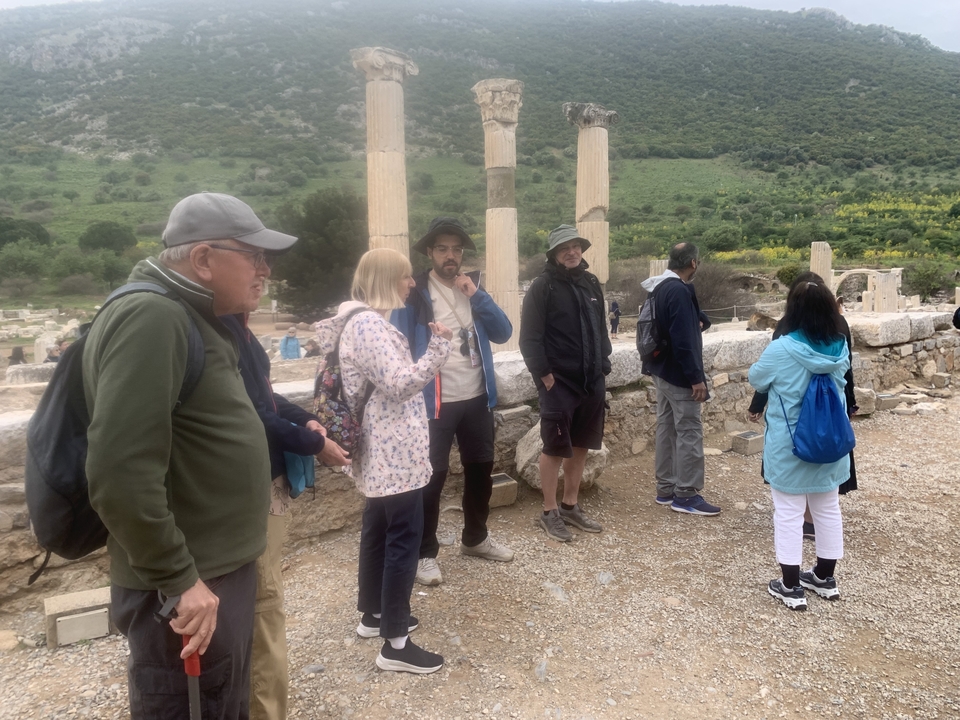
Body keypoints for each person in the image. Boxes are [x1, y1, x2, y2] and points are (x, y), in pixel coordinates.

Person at [83, 192, 297, 718]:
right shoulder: (152, 318)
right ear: (203, 259)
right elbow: (119, 473)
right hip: (190, 590)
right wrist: (179, 577)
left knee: (225, 703)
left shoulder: (192, 315)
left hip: (213, 575)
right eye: (254, 256)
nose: (265, 270)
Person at [316, 248, 452, 674]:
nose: (411, 284)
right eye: (405, 276)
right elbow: (399, 384)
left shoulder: (353, 323)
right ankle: (396, 644)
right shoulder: (370, 325)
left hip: (380, 451)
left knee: (377, 529)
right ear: (386, 279)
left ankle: (374, 614)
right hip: (395, 452)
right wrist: (439, 348)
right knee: (403, 539)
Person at [220, 311, 350, 720]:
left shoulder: (231, 325)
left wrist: (303, 418)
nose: (263, 277)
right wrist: (314, 444)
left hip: (259, 481)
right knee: (265, 600)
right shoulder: (219, 329)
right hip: (253, 485)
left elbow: (265, 399)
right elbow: (251, 413)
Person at [393, 217, 515, 587]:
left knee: (480, 470)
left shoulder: (471, 288)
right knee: (431, 478)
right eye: (443, 248)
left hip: (476, 396)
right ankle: (424, 553)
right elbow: (397, 344)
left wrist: (476, 295)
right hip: (435, 402)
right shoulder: (415, 292)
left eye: (457, 249)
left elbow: (503, 332)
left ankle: (475, 538)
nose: (451, 255)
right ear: (430, 252)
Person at [748, 279, 849, 610]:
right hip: (830, 441)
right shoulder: (840, 346)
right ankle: (824, 577)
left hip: (790, 445)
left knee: (789, 513)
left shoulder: (781, 348)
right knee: (828, 508)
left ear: (792, 309)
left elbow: (757, 378)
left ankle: (790, 585)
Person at [519, 225, 610, 542]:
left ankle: (570, 505)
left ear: (581, 250)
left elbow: (601, 331)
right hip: (558, 383)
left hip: (591, 381)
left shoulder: (591, 283)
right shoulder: (542, 287)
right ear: (554, 254)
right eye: (564, 248)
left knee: (581, 444)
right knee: (555, 448)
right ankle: (549, 511)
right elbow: (530, 338)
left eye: (575, 246)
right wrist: (545, 376)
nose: (571, 252)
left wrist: (604, 367)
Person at [642, 242, 720, 516]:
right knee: (689, 430)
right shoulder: (678, 290)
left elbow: (686, 322)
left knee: (666, 428)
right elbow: (684, 340)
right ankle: (686, 494)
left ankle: (665, 488)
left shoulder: (660, 286)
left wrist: (701, 321)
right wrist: (696, 378)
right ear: (693, 263)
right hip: (678, 374)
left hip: (660, 370)